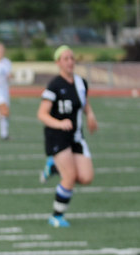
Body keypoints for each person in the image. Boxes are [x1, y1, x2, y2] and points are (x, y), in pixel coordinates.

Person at [36, 45, 98, 228]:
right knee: (69, 177)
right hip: (57, 137)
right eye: (65, 59)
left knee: (86, 177)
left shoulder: (81, 83)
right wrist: (59, 123)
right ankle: (56, 216)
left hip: (76, 137)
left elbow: (84, 102)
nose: (70, 62)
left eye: (72, 58)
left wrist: (91, 115)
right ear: (58, 63)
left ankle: (54, 167)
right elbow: (42, 114)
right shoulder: (54, 85)